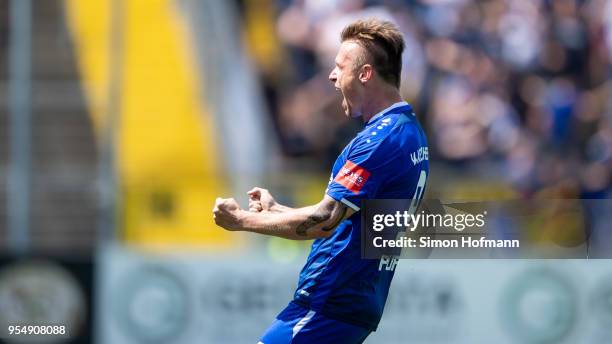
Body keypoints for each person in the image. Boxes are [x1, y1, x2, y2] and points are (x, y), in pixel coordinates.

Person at [213, 18, 429, 344]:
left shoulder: (380, 140)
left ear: (365, 74)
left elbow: (324, 221)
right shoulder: (408, 131)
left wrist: (240, 221)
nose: (332, 75)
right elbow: (345, 220)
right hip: (352, 300)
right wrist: (274, 210)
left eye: (340, 66)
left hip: (331, 300)